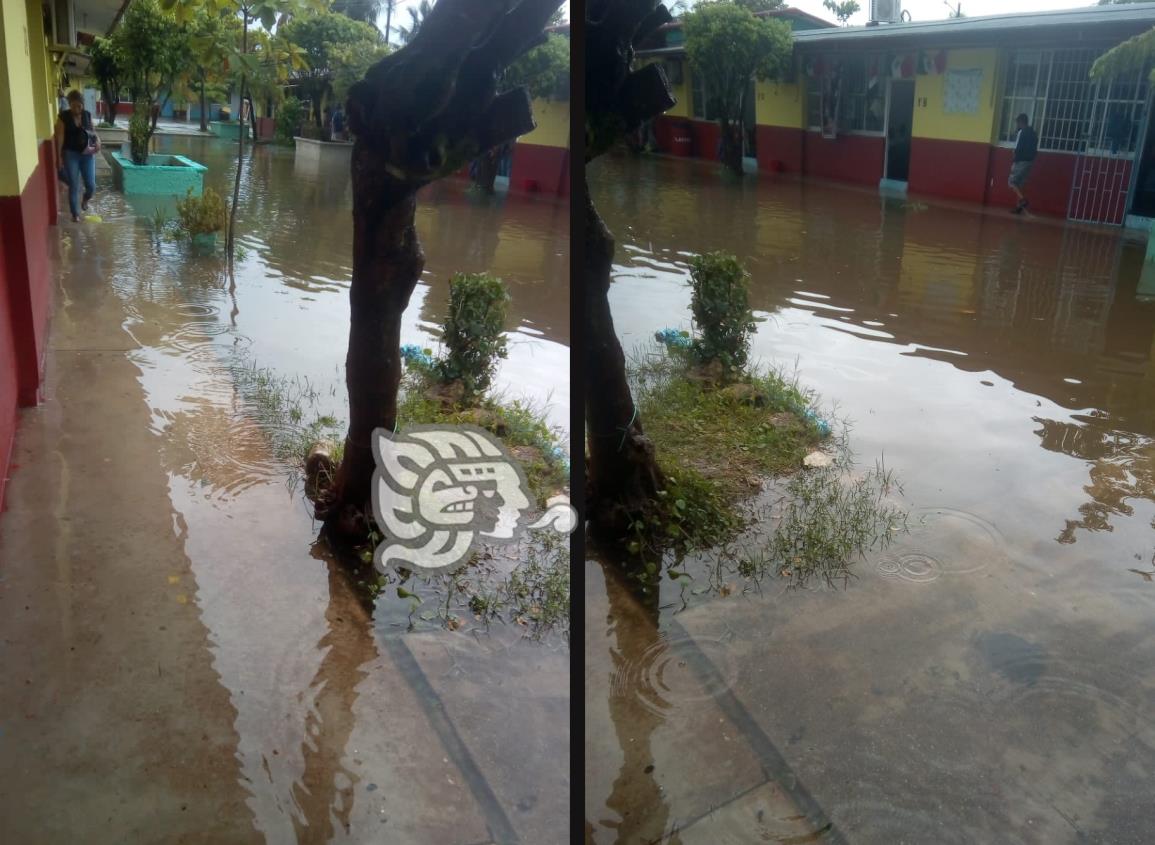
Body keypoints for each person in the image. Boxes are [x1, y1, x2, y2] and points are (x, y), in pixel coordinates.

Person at [54, 90, 98, 223]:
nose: (77, 109)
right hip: (70, 154)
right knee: (73, 184)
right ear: (69, 104)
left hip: (87, 155)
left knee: (91, 185)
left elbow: (92, 132)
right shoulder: (64, 117)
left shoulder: (87, 115)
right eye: (74, 106)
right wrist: (58, 156)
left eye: (79, 106)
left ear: (83, 105)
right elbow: (60, 137)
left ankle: (85, 199)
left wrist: (98, 142)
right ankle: (75, 214)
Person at [1009, 113, 1037, 215]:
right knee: (1020, 185)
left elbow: (1017, 148)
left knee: (1012, 182)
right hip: (1029, 162)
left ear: (1021, 122)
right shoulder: (1033, 133)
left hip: (1020, 161)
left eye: (1017, 122)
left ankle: (1023, 200)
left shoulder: (1022, 132)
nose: (1017, 124)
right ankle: (1019, 208)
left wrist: (1014, 158)